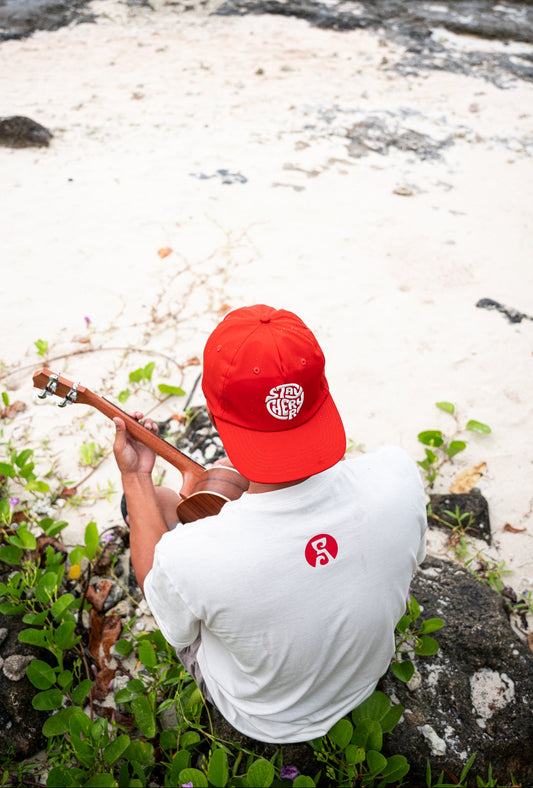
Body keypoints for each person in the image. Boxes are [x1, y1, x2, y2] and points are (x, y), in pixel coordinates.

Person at [112, 304, 427, 744]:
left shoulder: (190, 556)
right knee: (191, 504)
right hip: (362, 681)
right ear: (322, 392)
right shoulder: (398, 475)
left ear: (219, 415)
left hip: (264, 717)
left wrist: (135, 475)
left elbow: (169, 614)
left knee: (158, 508)